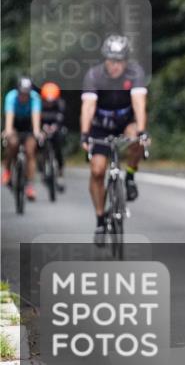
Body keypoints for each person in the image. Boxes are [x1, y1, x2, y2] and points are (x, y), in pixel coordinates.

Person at [80, 35, 150, 245]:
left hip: (125, 121)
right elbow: (88, 107)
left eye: (120, 60)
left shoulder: (135, 73)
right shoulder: (94, 75)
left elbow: (139, 103)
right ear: (105, 60)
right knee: (97, 171)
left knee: (137, 137)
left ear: (126, 60)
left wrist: (143, 130)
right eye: (111, 60)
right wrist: (85, 134)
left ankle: (129, 176)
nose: (115, 65)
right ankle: (100, 220)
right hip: (100, 126)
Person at [2, 76, 43, 200]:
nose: (24, 96)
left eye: (27, 93)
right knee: (12, 143)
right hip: (15, 123)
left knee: (30, 151)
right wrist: (8, 131)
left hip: (28, 125)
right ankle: (8, 171)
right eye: (22, 93)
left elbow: (36, 119)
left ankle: (29, 185)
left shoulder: (35, 98)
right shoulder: (11, 97)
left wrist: (37, 132)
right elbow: (9, 120)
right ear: (18, 91)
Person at [40, 82, 67, 191]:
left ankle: (60, 173)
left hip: (57, 129)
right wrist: (42, 128)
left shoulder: (61, 104)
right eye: (47, 101)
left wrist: (56, 127)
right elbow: (36, 119)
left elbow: (63, 119)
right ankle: (42, 168)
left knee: (58, 149)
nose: (49, 104)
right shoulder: (39, 105)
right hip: (43, 131)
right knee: (38, 146)